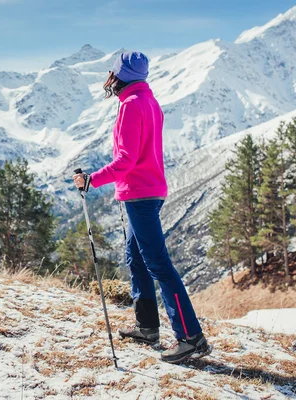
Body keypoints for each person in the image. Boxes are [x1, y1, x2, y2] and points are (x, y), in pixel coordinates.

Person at [73, 51, 210, 363]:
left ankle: (191, 337)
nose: (107, 77)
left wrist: (93, 179)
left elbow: (126, 160)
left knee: (158, 263)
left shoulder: (130, 105)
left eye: (111, 72)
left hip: (139, 193)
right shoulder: (149, 101)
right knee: (135, 258)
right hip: (149, 190)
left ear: (119, 76)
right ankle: (147, 326)